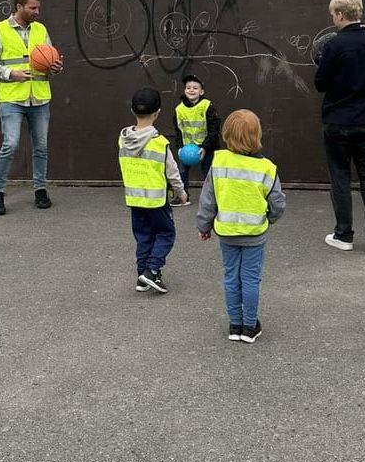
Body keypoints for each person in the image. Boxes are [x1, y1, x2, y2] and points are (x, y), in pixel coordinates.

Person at [196, 109, 285, 343]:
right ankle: (249, 326)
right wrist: (269, 219)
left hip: (226, 233)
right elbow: (278, 203)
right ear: (257, 135)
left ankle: (234, 324)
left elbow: (208, 199)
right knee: (251, 279)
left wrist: (204, 226)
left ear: (226, 134)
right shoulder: (267, 168)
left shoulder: (219, 161)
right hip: (255, 234)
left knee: (231, 277)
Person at [314, 0, 365, 255]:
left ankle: (344, 234)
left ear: (341, 14)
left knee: (340, 178)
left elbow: (320, 83)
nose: (332, 18)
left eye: (333, 14)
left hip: (337, 119)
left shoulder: (334, 45)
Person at [0, 0, 63, 215]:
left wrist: (55, 67)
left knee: (41, 147)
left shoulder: (41, 29)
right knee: (10, 144)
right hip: (12, 99)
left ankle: (40, 190)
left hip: (39, 98)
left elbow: (48, 62)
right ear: (19, 7)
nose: (37, 12)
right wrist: (11, 74)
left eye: (38, 7)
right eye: (32, 8)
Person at [118, 86, 187, 294]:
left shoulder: (122, 138)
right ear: (158, 112)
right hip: (157, 202)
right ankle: (152, 270)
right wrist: (180, 192)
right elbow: (172, 172)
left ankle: (142, 277)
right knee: (166, 234)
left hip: (134, 199)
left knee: (143, 237)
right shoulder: (160, 143)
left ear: (132, 111)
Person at [173, 73, 221, 206]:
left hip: (207, 147)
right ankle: (182, 196)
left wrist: (205, 147)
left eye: (195, 88)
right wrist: (180, 147)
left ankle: (212, 199)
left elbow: (214, 129)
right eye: (188, 87)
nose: (191, 90)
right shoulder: (179, 109)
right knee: (182, 171)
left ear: (202, 91)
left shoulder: (207, 106)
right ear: (184, 90)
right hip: (188, 148)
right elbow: (178, 130)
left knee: (208, 173)